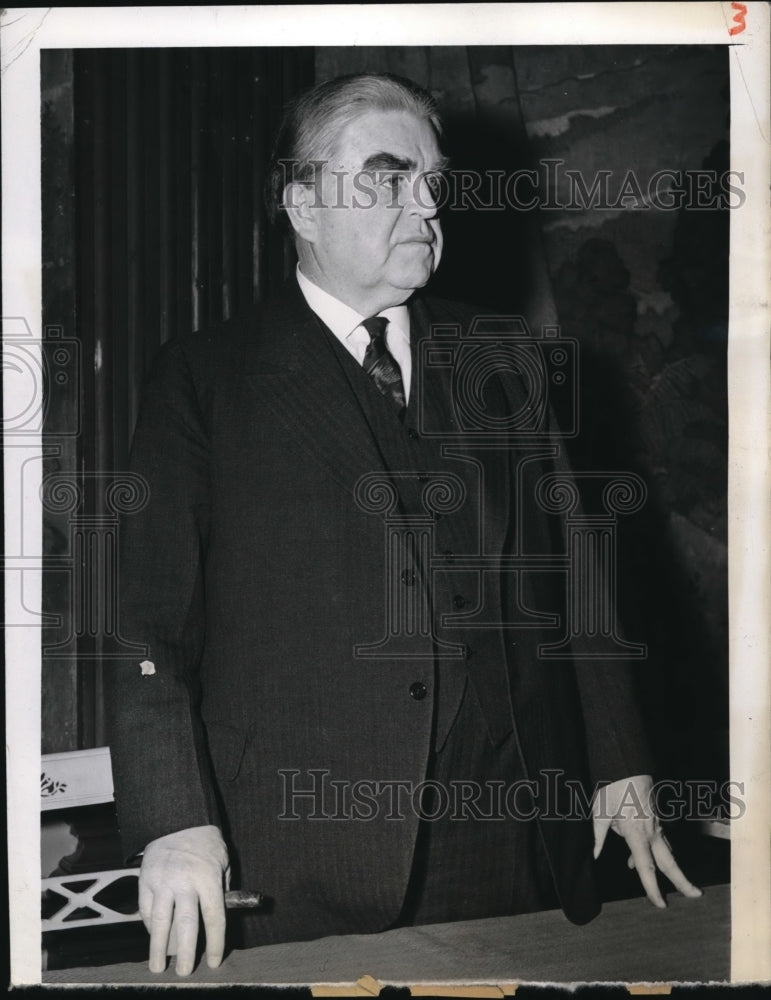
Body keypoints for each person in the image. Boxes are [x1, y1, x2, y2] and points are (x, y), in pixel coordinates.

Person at [104, 72, 702, 978]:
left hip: (516, 838)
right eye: (388, 178)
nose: (425, 203)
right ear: (301, 203)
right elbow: (144, 621)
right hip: (305, 854)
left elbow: (575, 574)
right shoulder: (202, 379)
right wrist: (175, 820)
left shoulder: (502, 359)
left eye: (432, 180)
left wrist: (619, 760)